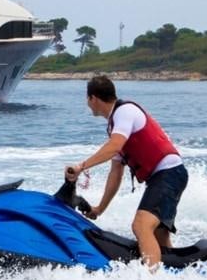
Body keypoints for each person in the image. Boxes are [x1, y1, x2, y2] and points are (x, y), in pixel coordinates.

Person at [65, 75, 189, 268]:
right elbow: (116, 172)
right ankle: (178, 275)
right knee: (158, 236)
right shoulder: (116, 126)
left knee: (141, 225)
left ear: (93, 98)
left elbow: (114, 146)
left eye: (87, 100)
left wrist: (82, 166)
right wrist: (100, 208)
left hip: (169, 174)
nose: (88, 104)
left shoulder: (124, 112)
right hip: (165, 176)